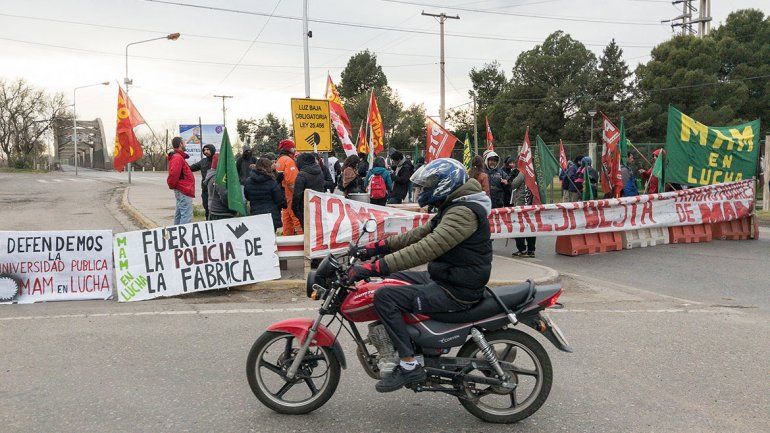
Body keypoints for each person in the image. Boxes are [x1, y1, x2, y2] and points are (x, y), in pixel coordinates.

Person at [347, 158, 492, 392]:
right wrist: (373, 249)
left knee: (385, 297)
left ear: (446, 183)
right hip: (448, 277)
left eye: (429, 185)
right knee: (394, 281)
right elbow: (416, 235)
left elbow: (425, 248)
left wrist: (374, 267)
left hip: (456, 289)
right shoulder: (456, 206)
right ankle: (413, 343)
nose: (424, 190)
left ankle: (408, 364)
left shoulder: (463, 212)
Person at [244, 157, 286, 231]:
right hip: (271, 216)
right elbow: (279, 200)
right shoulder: (271, 182)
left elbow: (247, 197)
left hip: (256, 215)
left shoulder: (248, 181)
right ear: (268, 167)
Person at [292, 153, 327, 229]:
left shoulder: (302, 175)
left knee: (308, 233)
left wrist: (296, 212)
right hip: (318, 207)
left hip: (305, 209)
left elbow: (297, 196)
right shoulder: (319, 171)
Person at [276, 139, 302, 235]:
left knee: (287, 219)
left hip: (283, 194)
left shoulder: (279, 160)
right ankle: (301, 238)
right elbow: (291, 181)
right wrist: (298, 194)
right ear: (290, 149)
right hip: (290, 194)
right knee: (296, 217)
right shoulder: (289, 161)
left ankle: (288, 239)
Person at [166, 136, 195, 225]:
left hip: (182, 189)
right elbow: (173, 174)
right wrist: (173, 185)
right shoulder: (177, 157)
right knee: (186, 216)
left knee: (179, 214)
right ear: (180, 144)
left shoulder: (178, 157)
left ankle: (176, 234)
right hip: (183, 190)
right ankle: (184, 237)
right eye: (184, 142)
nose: (185, 144)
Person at [510, 170, 537, 257]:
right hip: (532, 204)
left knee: (519, 226)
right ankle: (531, 250)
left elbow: (513, 184)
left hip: (521, 204)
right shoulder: (537, 172)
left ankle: (522, 249)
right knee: (531, 226)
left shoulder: (524, 171)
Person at [202, 154, 236, 220]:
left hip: (214, 210)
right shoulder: (218, 177)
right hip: (221, 213)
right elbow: (224, 195)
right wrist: (233, 206)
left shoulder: (212, 175)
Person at [190, 144, 216, 219]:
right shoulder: (203, 161)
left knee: (215, 210)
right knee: (206, 208)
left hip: (216, 190)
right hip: (205, 190)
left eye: (208, 149)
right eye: (204, 150)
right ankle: (208, 223)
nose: (206, 151)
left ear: (212, 150)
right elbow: (190, 168)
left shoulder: (218, 160)